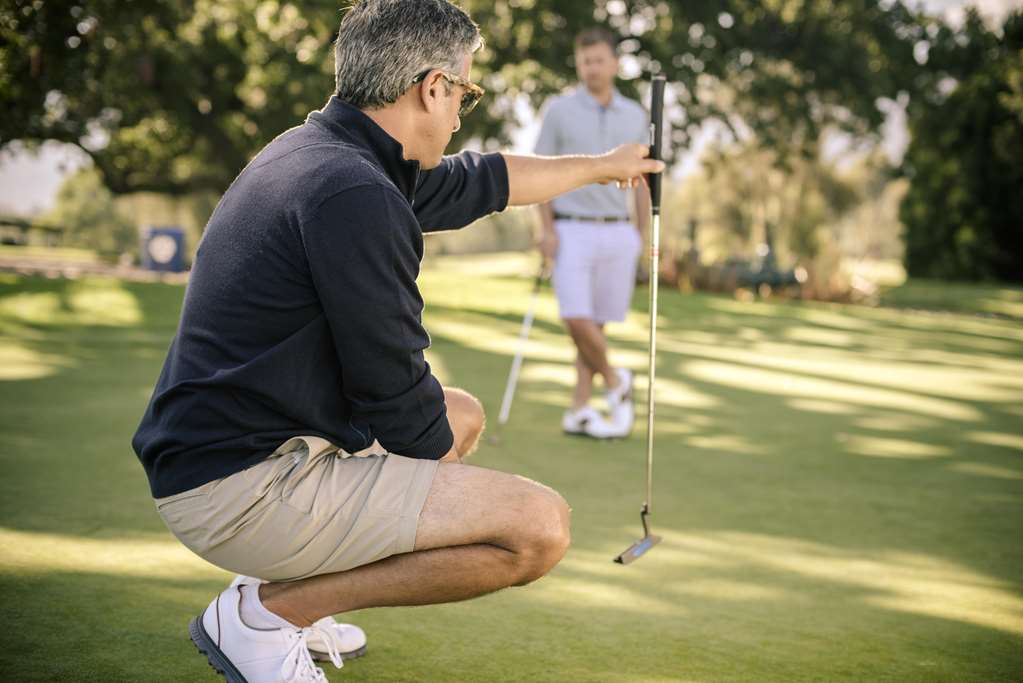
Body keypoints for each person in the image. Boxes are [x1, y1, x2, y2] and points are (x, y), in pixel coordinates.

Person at [131, 2, 664, 682]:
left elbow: (488, 181)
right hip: (235, 486)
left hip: (235, 448)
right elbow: (400, 404)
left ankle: (277, 589)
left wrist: (601, 166)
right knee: (535, 528)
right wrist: (468, 507)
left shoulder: (330, 151)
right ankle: (265, 615)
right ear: (431, 87)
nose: (460, 113)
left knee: (461, 413)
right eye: (465, 93)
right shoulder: (355, 191)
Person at [534, 27, 651, 439]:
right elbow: (539, 173)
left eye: (599, 60)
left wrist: (645, 237)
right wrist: (545, 229)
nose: (592, 68)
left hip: (619, 233)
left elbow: (641, 183)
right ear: (578, 64)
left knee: (598, 325)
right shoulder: (559, 110)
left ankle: (580, 408)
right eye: (585, 61)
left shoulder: (636, 115)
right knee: (575, 317)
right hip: (571, 230)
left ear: (615, 63)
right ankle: (617, 379)